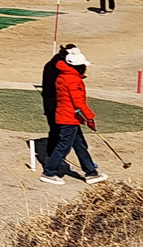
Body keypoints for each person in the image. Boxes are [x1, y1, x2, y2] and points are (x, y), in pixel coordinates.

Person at [41, 48, 107, 185]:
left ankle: (91, 173)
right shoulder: (73, 80)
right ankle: (49, 173)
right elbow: (79, 102)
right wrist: (89, 118)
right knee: (64, 146)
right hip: (68, 118)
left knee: (79, 145)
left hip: (69, 116)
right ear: (79, 67)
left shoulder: (63, 76)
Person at [40, 43, 76, 161]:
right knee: (57, 131)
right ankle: (52, 157)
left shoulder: (52, 65)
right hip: (55, 104)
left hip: (52, 103)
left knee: (57, 131)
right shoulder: (58, 68)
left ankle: (52, 156)